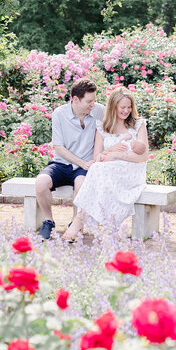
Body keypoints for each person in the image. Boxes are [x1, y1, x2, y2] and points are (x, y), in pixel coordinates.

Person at [63, 86, 148, 241]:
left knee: (101, 171)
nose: (126, 111)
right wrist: (111, 151)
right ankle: (107, 226)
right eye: (122, 107)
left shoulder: (138, 125)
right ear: (113, 106)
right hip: (108, 171)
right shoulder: (103, 127)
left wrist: (117, 154)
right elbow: (97, 157)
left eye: (129, 107)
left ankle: (79, 220)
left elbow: (143, 157)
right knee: (98, 169)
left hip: (132, 172)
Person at [35, 77, 104, 239]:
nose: (93, 104)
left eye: (94, 100)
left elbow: (117, 121)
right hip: (62, 163)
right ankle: (48, 221)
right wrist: (82, 162)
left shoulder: (98, 110)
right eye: (89, 101)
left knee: (81, 184)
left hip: (84, 167)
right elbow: (58, 147)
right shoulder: (59, 114)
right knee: (41, 182)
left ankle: (75, 224)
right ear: (75, 99)